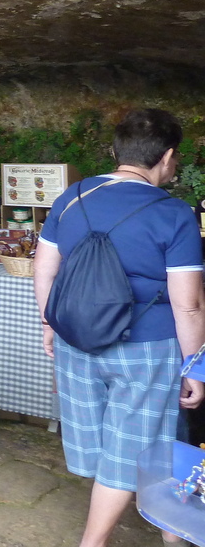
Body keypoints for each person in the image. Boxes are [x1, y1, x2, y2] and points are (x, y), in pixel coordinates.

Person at [33, 109, 205, 547]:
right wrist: (195, 366)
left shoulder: (71, 196)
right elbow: (188, 306)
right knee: (133, 447)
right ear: (167, 157)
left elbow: (44, 270)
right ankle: (93, 542)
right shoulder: (175, 214)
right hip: (146, 349)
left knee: (120, 440)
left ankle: (174, 533)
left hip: (76, 339)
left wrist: (49, 324)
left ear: (115, 152)